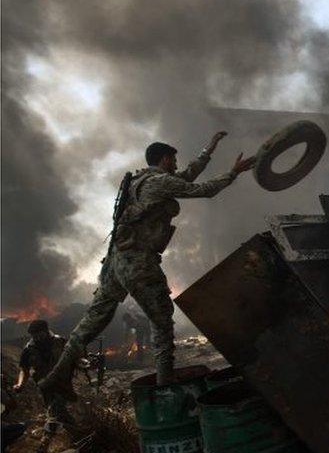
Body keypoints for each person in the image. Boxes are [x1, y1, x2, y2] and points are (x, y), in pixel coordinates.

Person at [39, 132, 254, 391]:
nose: (176, 165)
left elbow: (187, 175)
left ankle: (55, 379)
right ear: (164, 159)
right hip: (138, 262)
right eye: (173, 160)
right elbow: (203, 190)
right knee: (162, 321)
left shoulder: (141, 181)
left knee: (92, 321)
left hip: (115, 263)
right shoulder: (159, 183)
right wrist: (233, 173)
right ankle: (165, 387)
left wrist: (209, 149)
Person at [14, 320, 74, 428]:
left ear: (46, 331)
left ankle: (61, 428)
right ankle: (68, 427)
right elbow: (24, 370)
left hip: (62, 382)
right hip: (45, 385)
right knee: (54, 409)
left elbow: (74, 359)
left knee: (56, 408)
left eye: (38, 333)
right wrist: (20, 385)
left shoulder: (61, 342)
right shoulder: (28, 350)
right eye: (33, 335)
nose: (36, 337)